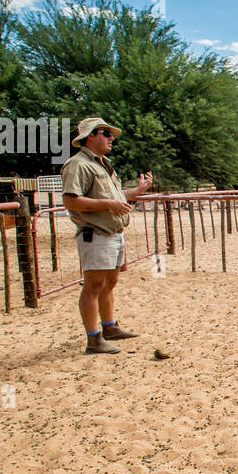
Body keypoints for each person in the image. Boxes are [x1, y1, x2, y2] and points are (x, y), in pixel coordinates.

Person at [60, 116, 153, 354]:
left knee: (109, 283)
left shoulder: (102, 163)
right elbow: (70, 200)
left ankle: (109, 327)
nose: (111, 138)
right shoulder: (78, 164)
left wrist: (136, 191)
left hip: (112, 232)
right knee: (93, 285)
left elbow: (116, 197)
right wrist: (109, 205)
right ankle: (93, 338)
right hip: (96, 233)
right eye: (106, 133)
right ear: (91, 135)